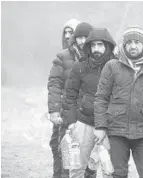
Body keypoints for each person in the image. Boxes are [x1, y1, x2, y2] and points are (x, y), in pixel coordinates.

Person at [93, 26, 143, 178]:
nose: (133, 46)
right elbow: (101, 98)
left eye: (137, 42)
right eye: (129, 42)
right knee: (117, 174)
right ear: (124, 44)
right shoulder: (112, 66)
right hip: (117, 130)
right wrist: (100, 126)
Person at [62, 28, 116, 178]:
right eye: (93, 45)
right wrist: (72, 122)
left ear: (108, 46)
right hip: (83, 123)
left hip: (109, 126)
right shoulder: (80, 67)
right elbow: (70, 96)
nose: (96, 49)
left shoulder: (117, 67)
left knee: (109, 169)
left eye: (100, 45)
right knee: (78, 168)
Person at [48, 21, 92, 178]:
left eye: (70, 32)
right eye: (66, 32)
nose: (68, 36)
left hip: (88, 117)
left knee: (88, 163)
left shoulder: (96, 57)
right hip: (67, 115)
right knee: (63, 156)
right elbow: (54, 84)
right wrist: (54, 110)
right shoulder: (62, 57)